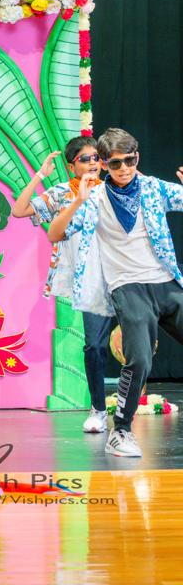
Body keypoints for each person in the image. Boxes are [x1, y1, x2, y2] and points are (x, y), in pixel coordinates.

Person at [48, 128, 183, 458]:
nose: (124, 168)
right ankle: (120, 431)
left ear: (137, 157)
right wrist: (76, 203)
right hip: (128, 286)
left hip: (165, 282)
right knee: (139, 359)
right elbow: (55, 233)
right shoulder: (94, 199)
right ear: (105, 164)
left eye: (130, 160)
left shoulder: (153, 187)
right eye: (116, 163)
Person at [11, 137, 114, 433]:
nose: (93, 163)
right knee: (94, 345)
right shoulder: (61, 193)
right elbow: (19, 210)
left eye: (96, 158)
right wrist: (40, 175)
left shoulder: (112, 189)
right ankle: (98, 409)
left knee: (135, 342)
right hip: (90, 281)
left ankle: (127, 405)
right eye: (85, 159)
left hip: (121, 275)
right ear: (71, 166)